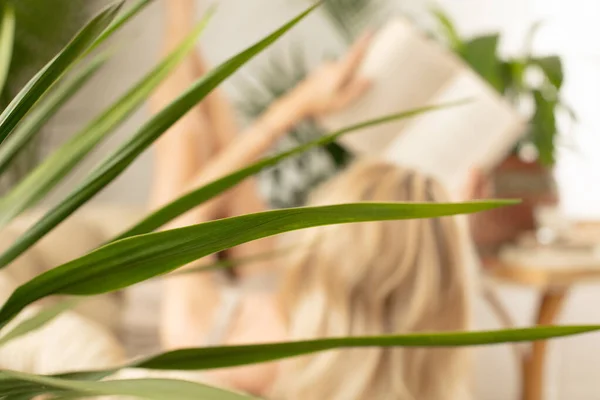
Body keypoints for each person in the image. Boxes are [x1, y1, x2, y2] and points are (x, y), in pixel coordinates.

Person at [151, 1, 475, 399]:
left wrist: (295, 106)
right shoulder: (421, 367)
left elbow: (173, 234)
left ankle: (178, 13)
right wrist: (454, 216)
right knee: (214, 125)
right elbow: (423, 265)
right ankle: (185, 24)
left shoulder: (256, 356)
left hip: (225, 307)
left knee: (187, 139)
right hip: (293, 308)